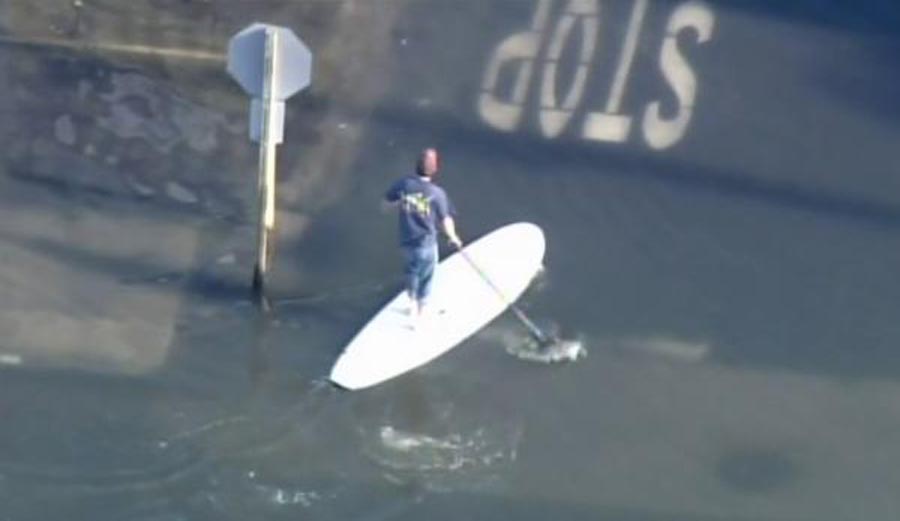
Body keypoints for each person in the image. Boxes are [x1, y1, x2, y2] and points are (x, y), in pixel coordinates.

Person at [383, 148, 463, 321]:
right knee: (426, 276)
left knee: (411, 272)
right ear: (434, 170)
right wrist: (453, 237)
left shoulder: (404, 185)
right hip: (426, 244)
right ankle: (421, 312)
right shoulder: (437, 194)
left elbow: (386, 204)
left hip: (406, 242)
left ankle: (411, 305)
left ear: (416, 167)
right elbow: (446, 219)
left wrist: (402, 202)